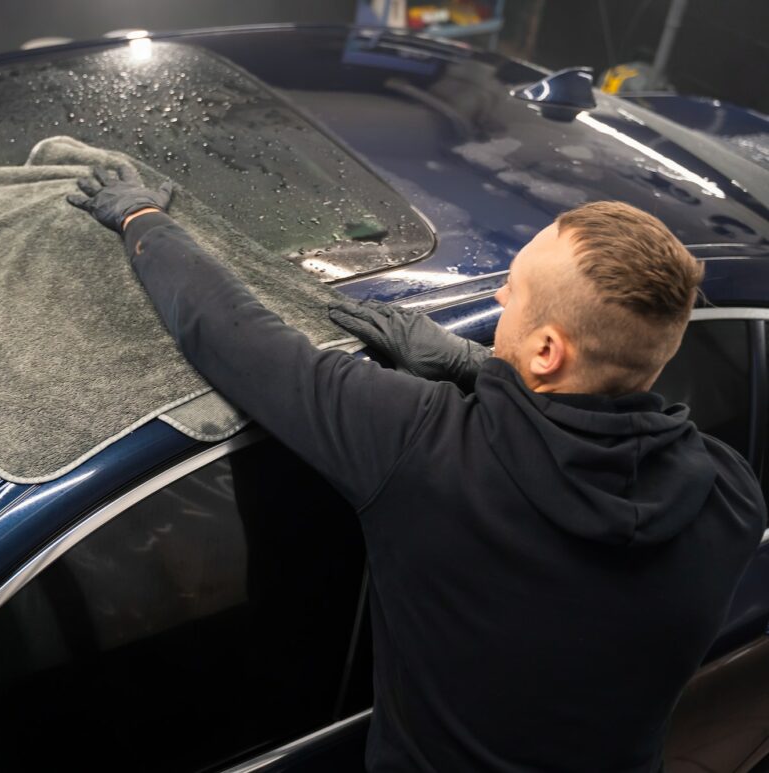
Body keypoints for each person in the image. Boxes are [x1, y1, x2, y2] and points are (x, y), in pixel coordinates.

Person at [67, 168, 767, 772]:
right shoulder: (733, 496)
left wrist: (141, 217)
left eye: (514, 292)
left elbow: (233, 337)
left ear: (549, 350)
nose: (500, 300)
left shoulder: (423, 448)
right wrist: (478, 367)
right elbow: (616, 437)